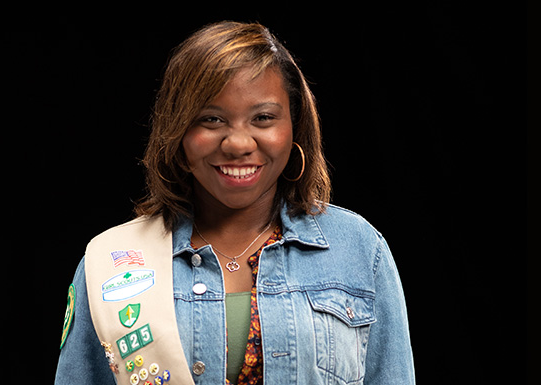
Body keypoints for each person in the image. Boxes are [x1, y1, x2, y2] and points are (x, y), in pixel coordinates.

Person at [55, 21, 415, 385]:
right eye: (211, 119)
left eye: (263, 118)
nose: (238, 143)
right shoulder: (111, 262)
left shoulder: (358, 249)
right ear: (177, 130)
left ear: (294, 127)